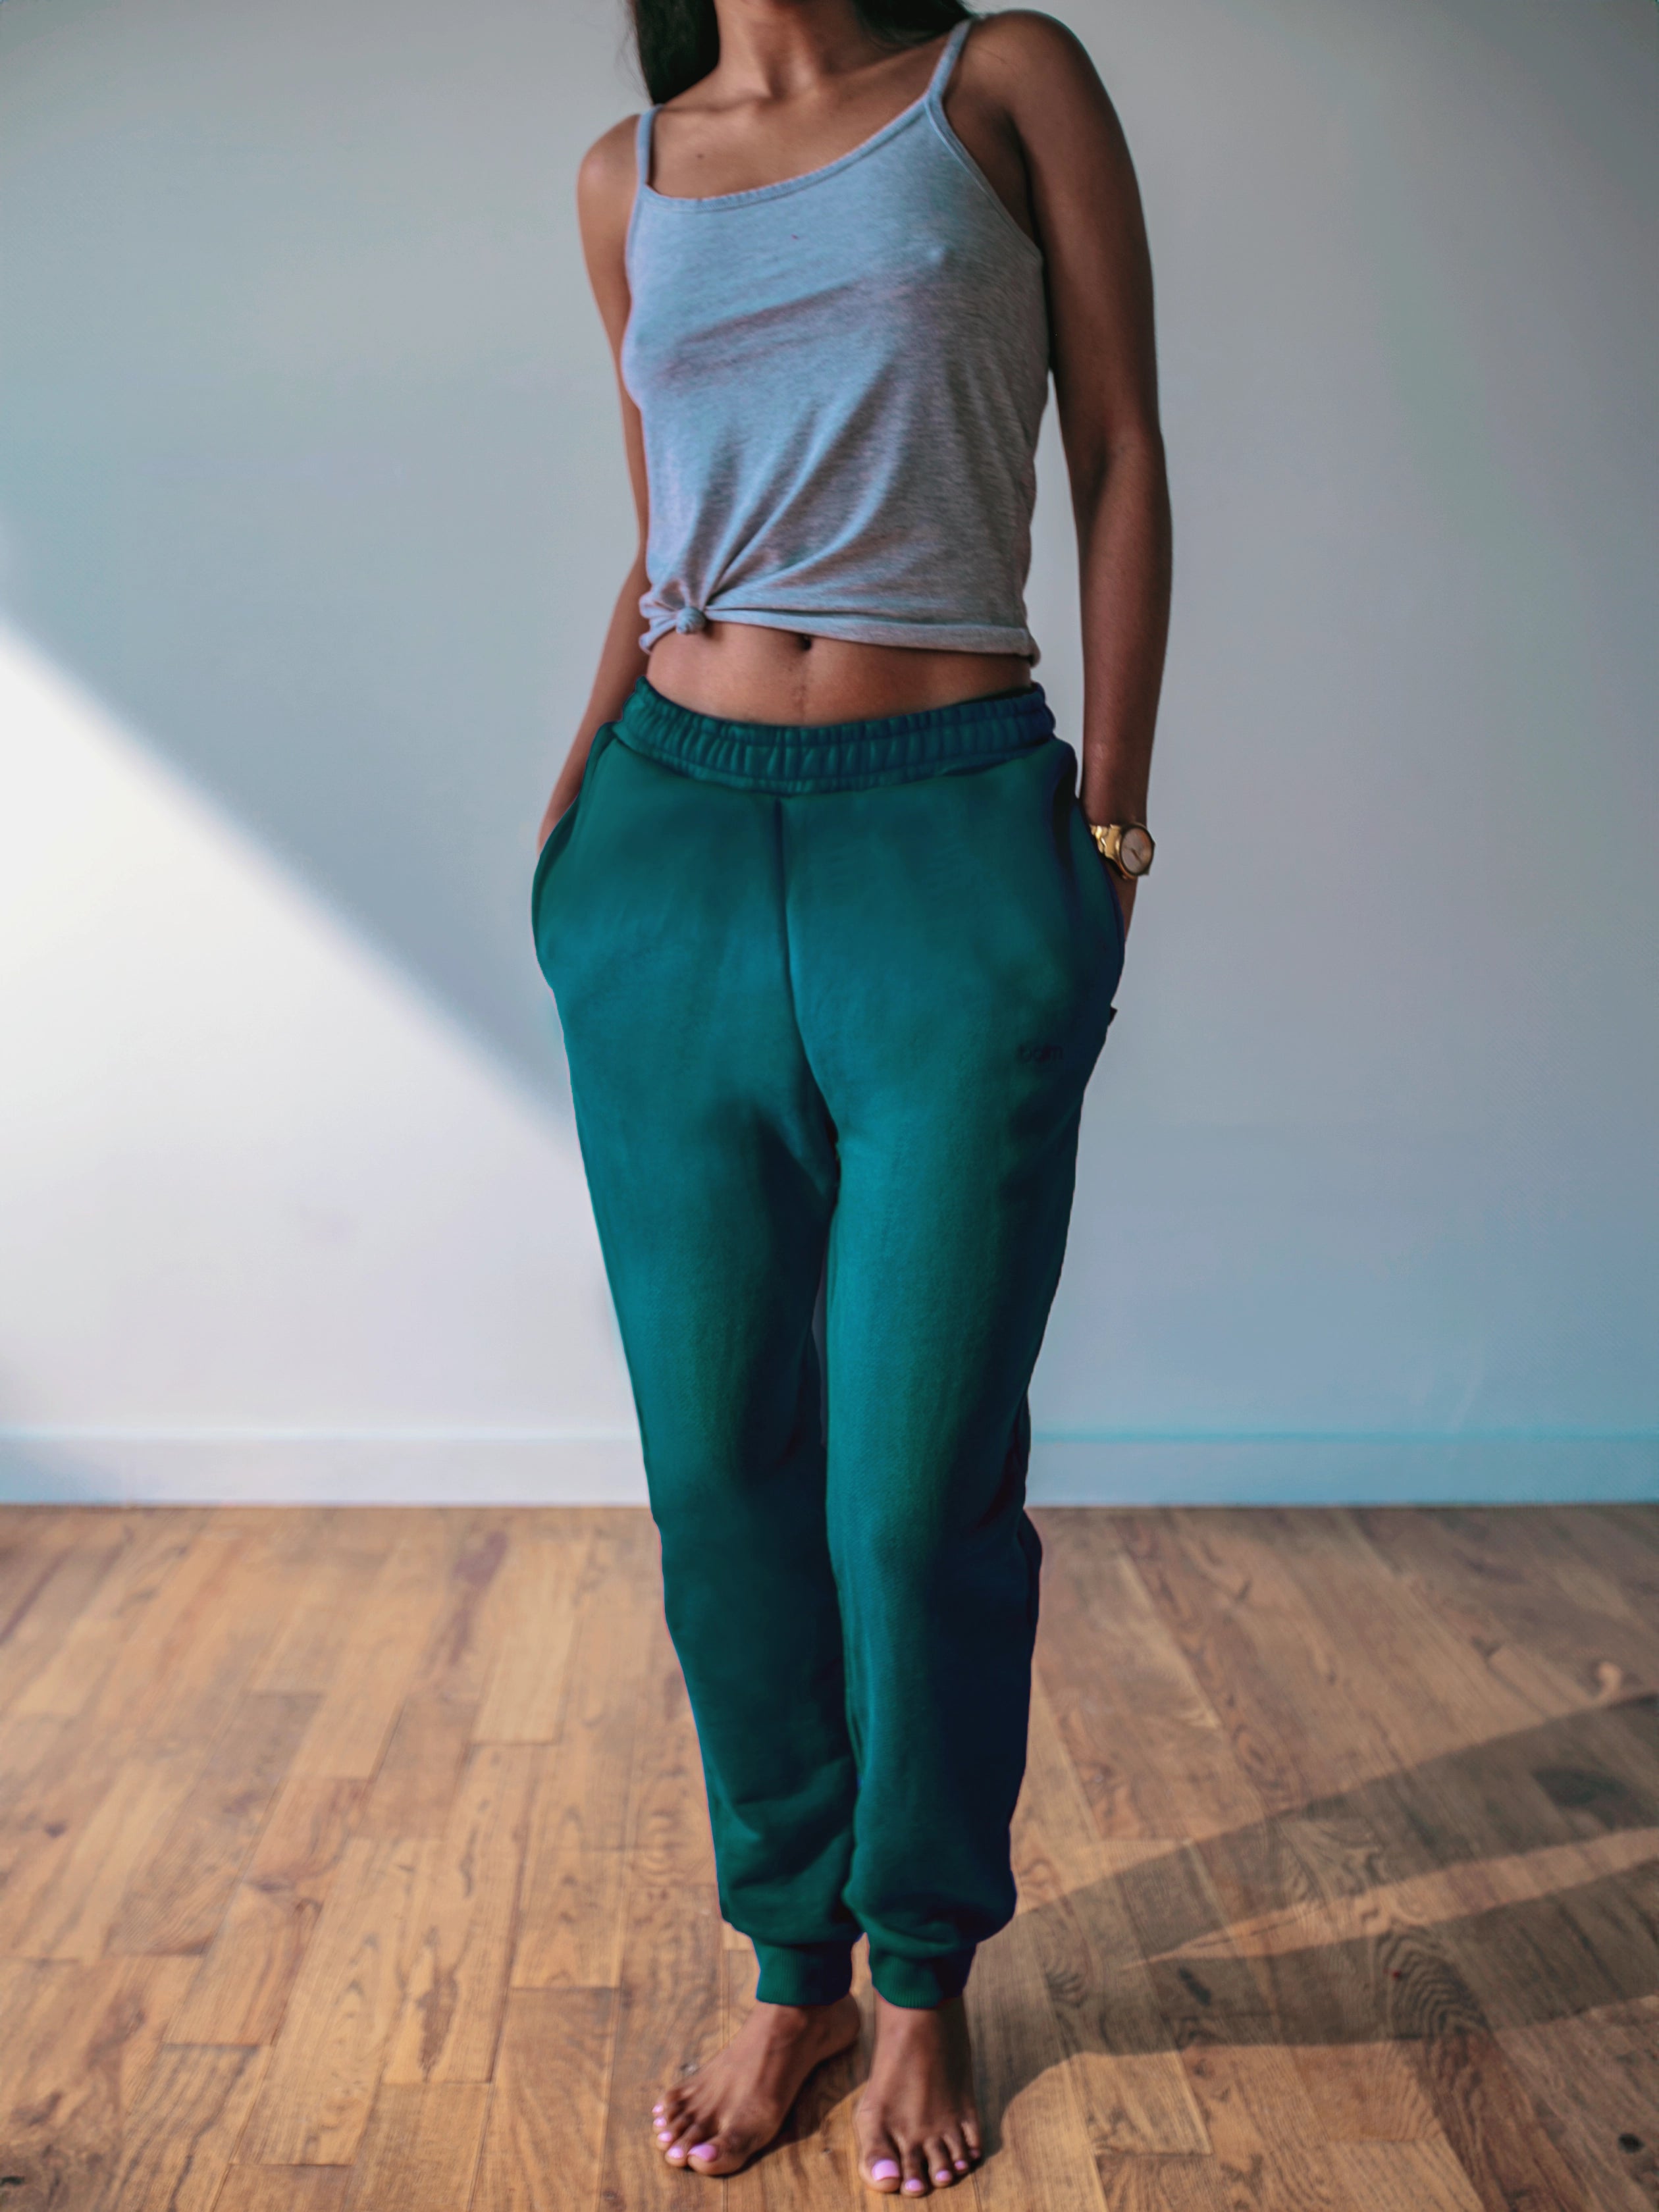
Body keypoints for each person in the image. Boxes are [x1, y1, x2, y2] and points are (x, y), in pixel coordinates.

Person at [533, 0, 1169, 2194]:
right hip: (674, 838)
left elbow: (1120, 454)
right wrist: (569, 839)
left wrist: (1108, 825)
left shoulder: (1002, 81)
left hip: (949, 831)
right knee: (717, 1472)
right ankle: (787, 1962)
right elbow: (665, 527)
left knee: (913, 1490)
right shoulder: (630, 174)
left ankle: (921, 1974)